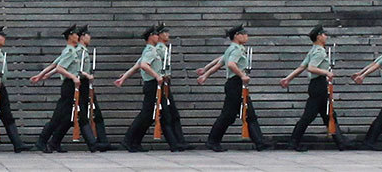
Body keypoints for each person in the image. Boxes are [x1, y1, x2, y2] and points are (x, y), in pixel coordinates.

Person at [196, 23, 270, 152]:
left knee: (248, 114)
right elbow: (230, 64)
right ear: (237, 36)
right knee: (228, 115)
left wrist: (206, 73)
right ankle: (213, 141)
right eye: (244, 34)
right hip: (236, 84)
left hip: (234, 85)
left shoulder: (232, 48)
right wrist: (242, 75)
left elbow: (219, 63)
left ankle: (260, 142)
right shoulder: (236, 49)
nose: (247, 36)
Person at [279, 24, 354, 151]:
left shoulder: (313, 50)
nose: (326, 36)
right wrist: (327, 73)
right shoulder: (319, 51)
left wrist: (288, 78)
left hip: (316, 85)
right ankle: (294, 141)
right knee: (309, 116)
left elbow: (301, 67)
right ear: (319, 37)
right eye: (324, 34)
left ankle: (340, 141)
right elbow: (311, 68)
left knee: (329, 114)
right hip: (319, 85)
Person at [115, 25, 181, 152]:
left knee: (151, 116)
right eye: (156, 35)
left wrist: (124, 78)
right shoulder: (151, 51)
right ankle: (128, 140)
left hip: (156, 85)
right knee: (146, 115)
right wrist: (157, 75)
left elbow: (137, 65)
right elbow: (144, 65)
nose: (158, 37)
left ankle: (135, 142)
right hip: (152, 85)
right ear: (151, 37)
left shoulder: (151, 50)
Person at [30, 24, 81, 153]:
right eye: (75, 34)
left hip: (70, 86)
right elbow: (59, 68)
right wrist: (73, 77)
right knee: (58, 117)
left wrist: (41, 75)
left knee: (68, 117)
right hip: (69, 85)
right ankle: (42, 141)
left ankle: (55, 142)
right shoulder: (69, 52)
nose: (77, 36)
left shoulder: (69, 51)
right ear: (70, 37)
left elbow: (54, 65)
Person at [155, 22, 192, 150]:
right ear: (159, 35)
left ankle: (179, 140)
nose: (168, 34)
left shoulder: (164, 48)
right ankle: (175, 142)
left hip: (166, 82)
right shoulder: (158, 49)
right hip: (161, 82)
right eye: (165, 32)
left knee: (173, 113)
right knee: (167, 113)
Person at [75, 25, 112, 152]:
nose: (89, 38)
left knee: (96, 113)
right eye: (87, 35)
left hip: (87, 85)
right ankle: (95, 142)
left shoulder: (84, 50)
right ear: (82, 37)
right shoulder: (79, 51)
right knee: (81, 115)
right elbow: (77, 70)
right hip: (82, 84)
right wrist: (87, 75)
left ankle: (102, 141)